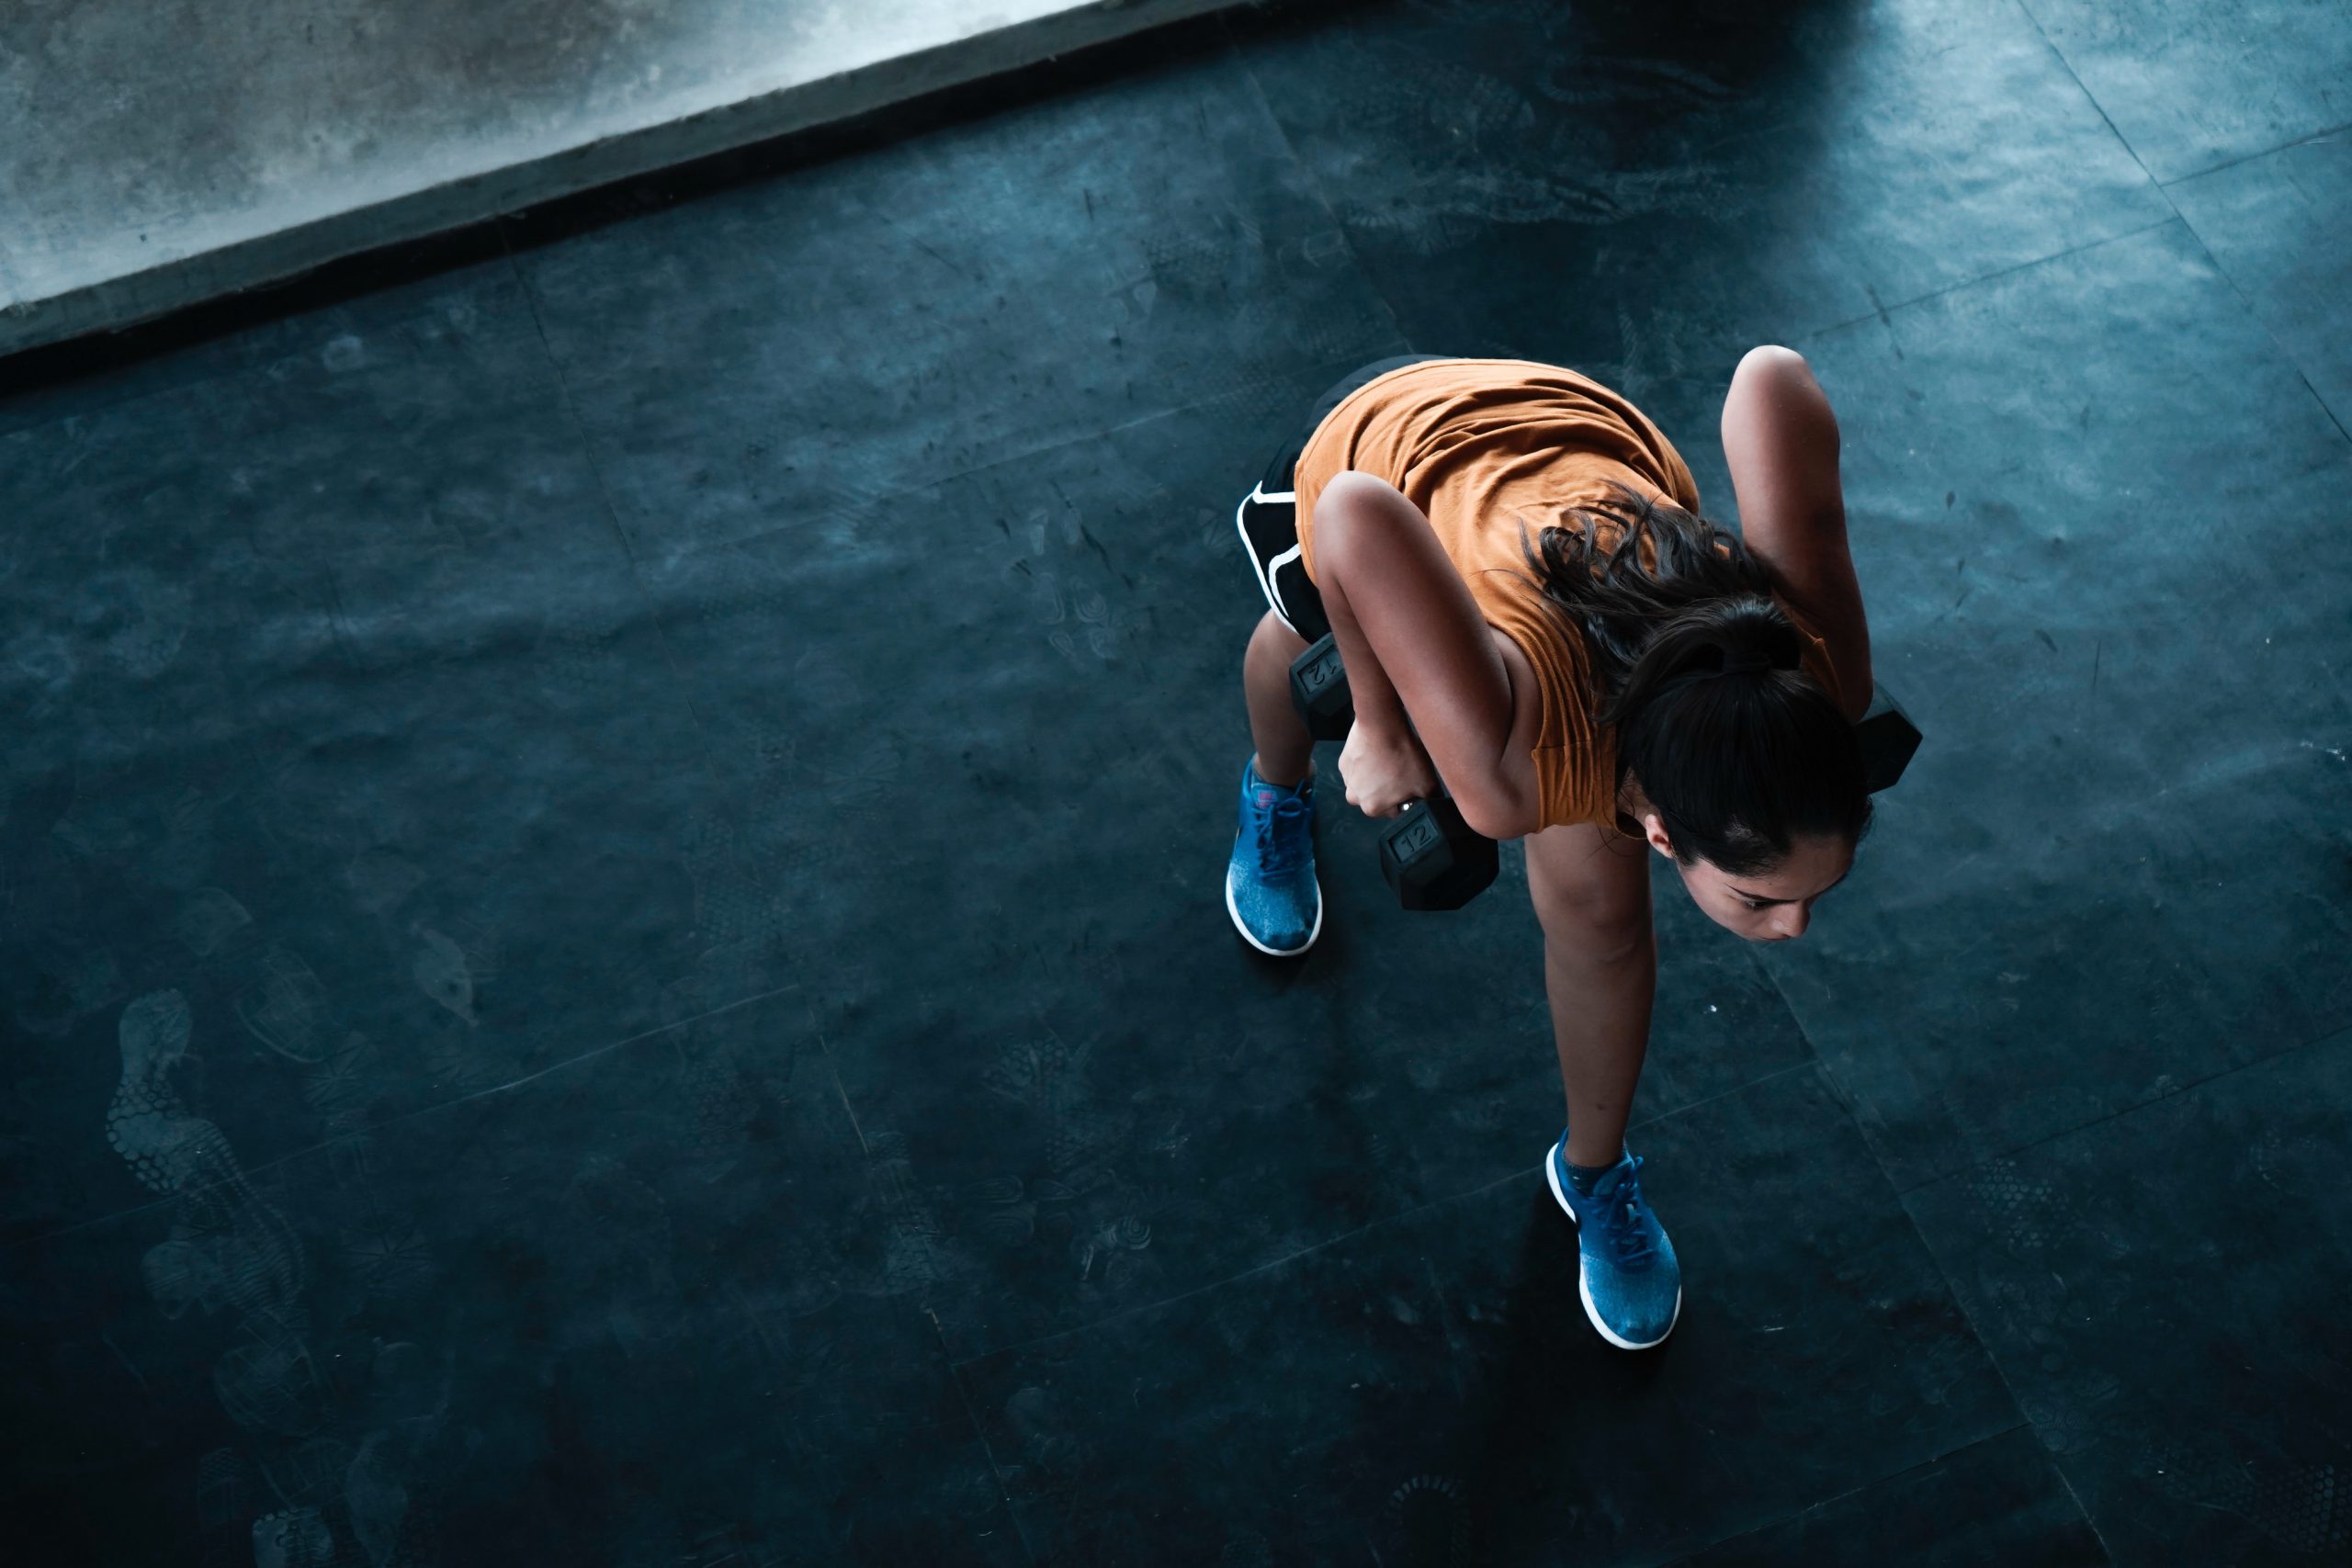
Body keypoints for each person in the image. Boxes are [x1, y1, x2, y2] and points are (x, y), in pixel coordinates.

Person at [1227, 350, 1874, 1350]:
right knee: (1299, 654)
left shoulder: (1820, 683)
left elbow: (1771, 379)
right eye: (1760, 899)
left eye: (1805, 897)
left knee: (1603, 923)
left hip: (1584, 455)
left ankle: (1592, 1171)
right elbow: (1353, 513)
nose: (1793, 928)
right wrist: (1378, 721)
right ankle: (1273, 791)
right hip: (1388, 442)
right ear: (1661, 831)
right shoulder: (1512, 771)